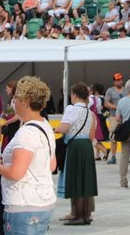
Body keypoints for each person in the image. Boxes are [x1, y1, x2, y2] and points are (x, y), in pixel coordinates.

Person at [0, 76, 57, 235]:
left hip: (23, 205)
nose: (13, 102)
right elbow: (52, 165)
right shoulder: (45, 126)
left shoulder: (26, 133)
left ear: (25, 101)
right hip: (44, 201)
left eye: (15, 98)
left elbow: (16, 173)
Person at [55, 82, 98, 224]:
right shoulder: (89, 112)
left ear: (74, 94)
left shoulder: (71, 109)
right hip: (86, 146)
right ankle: (85, 215)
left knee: (76, 180)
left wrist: (55, 129)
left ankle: (78, 215)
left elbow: (63, 128)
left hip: (75, 146)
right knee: (85, 181)